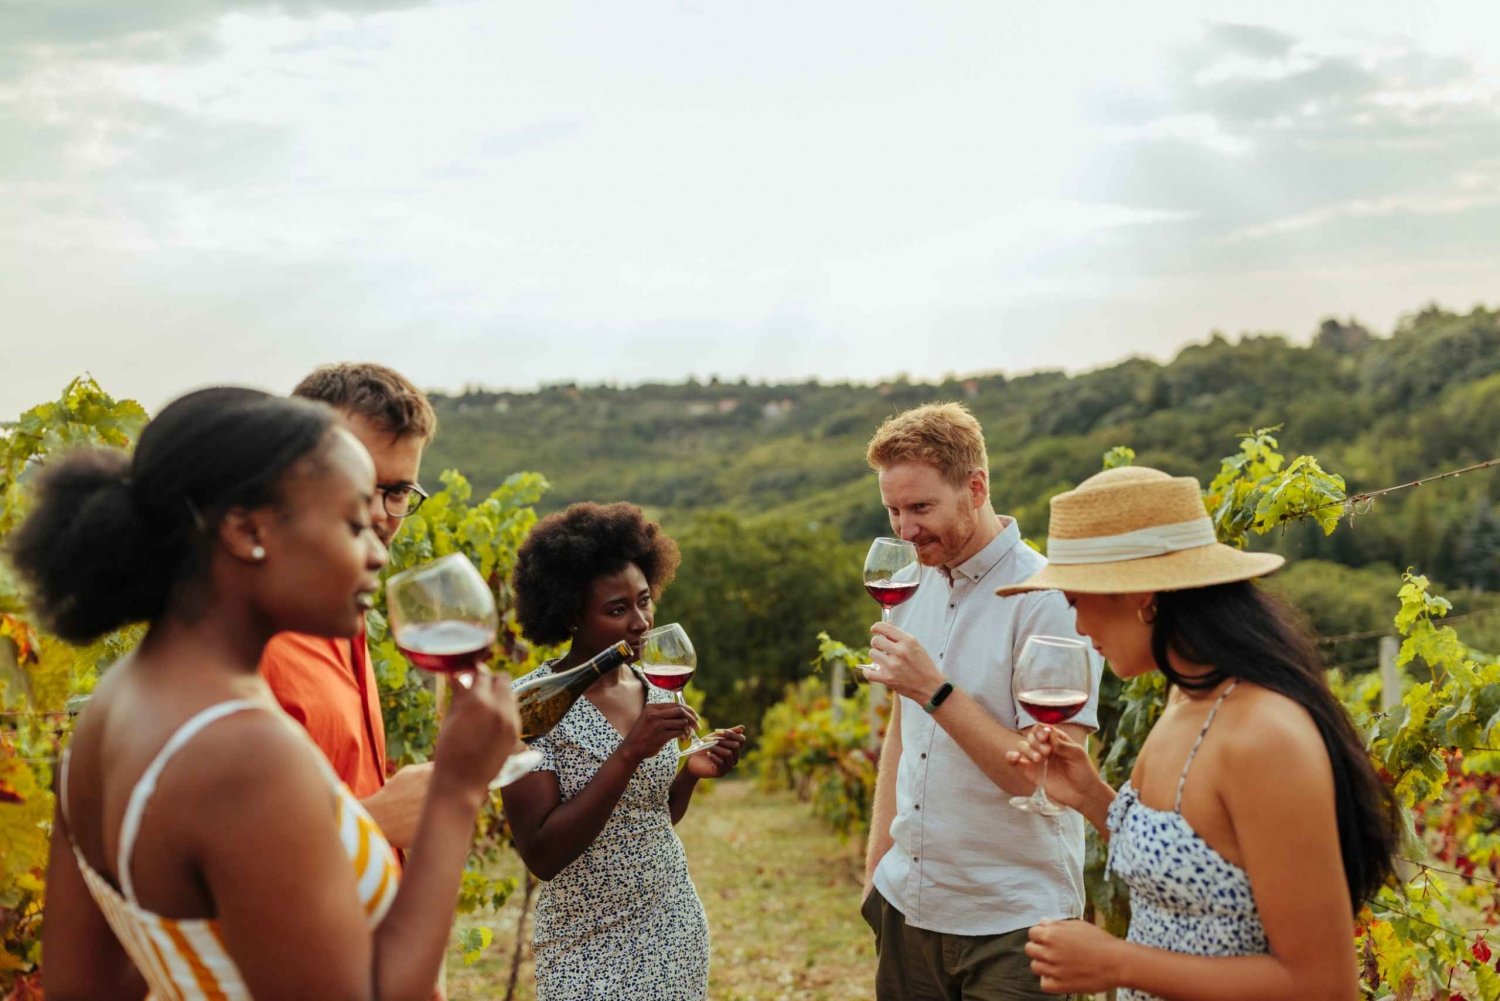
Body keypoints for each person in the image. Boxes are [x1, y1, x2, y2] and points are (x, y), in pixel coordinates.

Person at [23, 387, 519, 1000]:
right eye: (353, 523)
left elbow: (84, 988)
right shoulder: (245, 750)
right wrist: (455, 793)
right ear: (246, 530)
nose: (374, 552)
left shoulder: (115, 708)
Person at [999, 465, 1400, 999]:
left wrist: (1119, 962)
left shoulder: (1264, 736)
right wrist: (1091, 796)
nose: (1078, 627)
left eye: (1076, 601)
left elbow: (1323, 985)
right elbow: (1201, 869)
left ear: (1143, 596)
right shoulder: (1187, 695)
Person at [860, 402, 1104, 1001]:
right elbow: (902, 726)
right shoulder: (910, 586)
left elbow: (1045, 777)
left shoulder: (1048, 600)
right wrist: (876, 870)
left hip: (1014, 924)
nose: (905, 530)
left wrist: (934, 690)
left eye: (921, 508)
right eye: (893, 510)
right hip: (908, 907)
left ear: (976, 487)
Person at [500, 501, 747, 1001]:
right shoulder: (530, 706)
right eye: (617, 609)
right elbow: (543, 856)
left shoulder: (655, 687)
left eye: (644, 601)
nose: (640, 623)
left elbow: (650, 818)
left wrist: (689, 775)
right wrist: (629, 753)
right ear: (570, 613)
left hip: (671, 920)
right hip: (581, 940)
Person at [259, 362, 437, 849]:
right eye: (357, 487)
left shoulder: (345, 612)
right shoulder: (242, 645)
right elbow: (226, 866)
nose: (379, 515)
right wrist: (374, 824)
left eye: (398, 491)